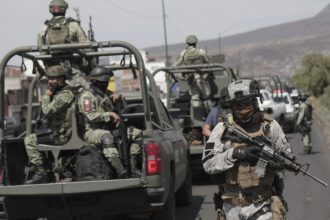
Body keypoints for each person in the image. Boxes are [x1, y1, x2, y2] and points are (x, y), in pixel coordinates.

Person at [202, 79, 291, 220]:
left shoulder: (270, 126)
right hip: (232, 208)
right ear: (231, 107)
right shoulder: (222, 129)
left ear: (255, 103)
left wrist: (274, 163)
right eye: (238, 106)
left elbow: (286, 158)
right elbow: (208, 164)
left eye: (246, 104)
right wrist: (236, 153)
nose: (243, 110)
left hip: (263, 204)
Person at [24, 65, 74, 184]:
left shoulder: (65, 95)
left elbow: (47, 111)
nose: (50, 82)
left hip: (61, 135)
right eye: (49, 79)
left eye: (53, 79)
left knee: (29, 140)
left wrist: (46, 95)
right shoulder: (59, 93)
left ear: (61, 79)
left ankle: (41, 172)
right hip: (56, 132)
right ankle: (44, 168)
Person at [37, 0, 92, 78]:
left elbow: (42, 54)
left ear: (50, 10)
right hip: (74, 73)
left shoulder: (44, 28)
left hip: (54, 75)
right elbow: (88, 50)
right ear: (64, 9)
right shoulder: (74, 25)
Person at [173, 34, 212, 112]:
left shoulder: (183, 53)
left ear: (187, 43)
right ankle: (209, 111)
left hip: (190, 78)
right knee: (206, 97)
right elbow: (209, 63)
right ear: (196, 42)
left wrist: (181, 76)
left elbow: (176, 65)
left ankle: (198, 114)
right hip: (200, 78)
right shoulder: (201, 52)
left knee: (195, 98)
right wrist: (205, 74)